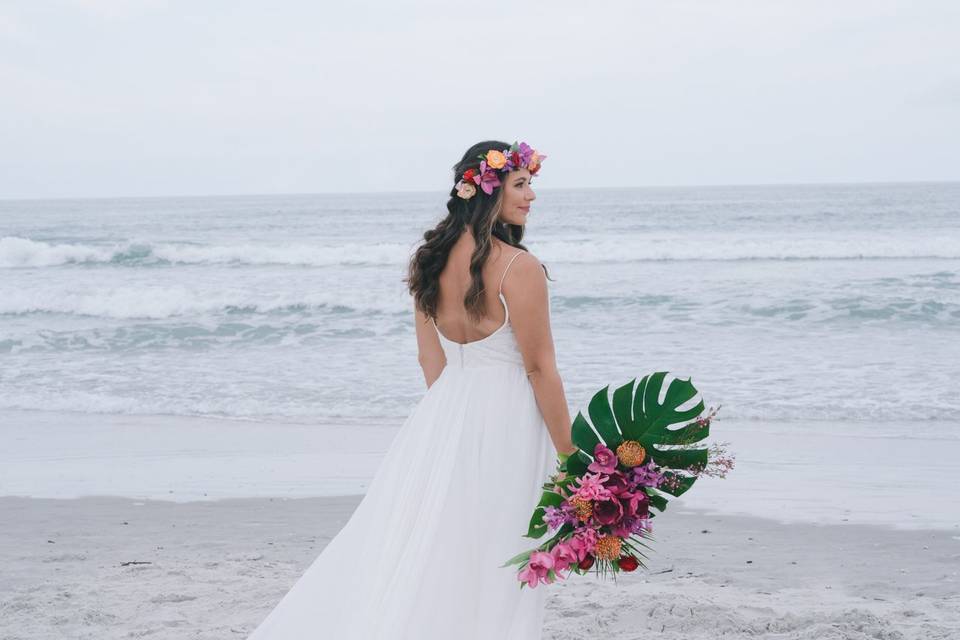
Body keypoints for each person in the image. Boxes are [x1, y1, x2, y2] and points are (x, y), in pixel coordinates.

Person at [245, 140, 577, 639]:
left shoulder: (427, 260)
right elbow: (539, 369)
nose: (532, 197)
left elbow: (431, 360)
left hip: (446, 411)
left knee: (442, 540)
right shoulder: (518, 267)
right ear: (488, 191)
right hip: (507, 418)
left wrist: (446, 426)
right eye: (521, 184)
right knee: (498, 542)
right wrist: (571, 456)